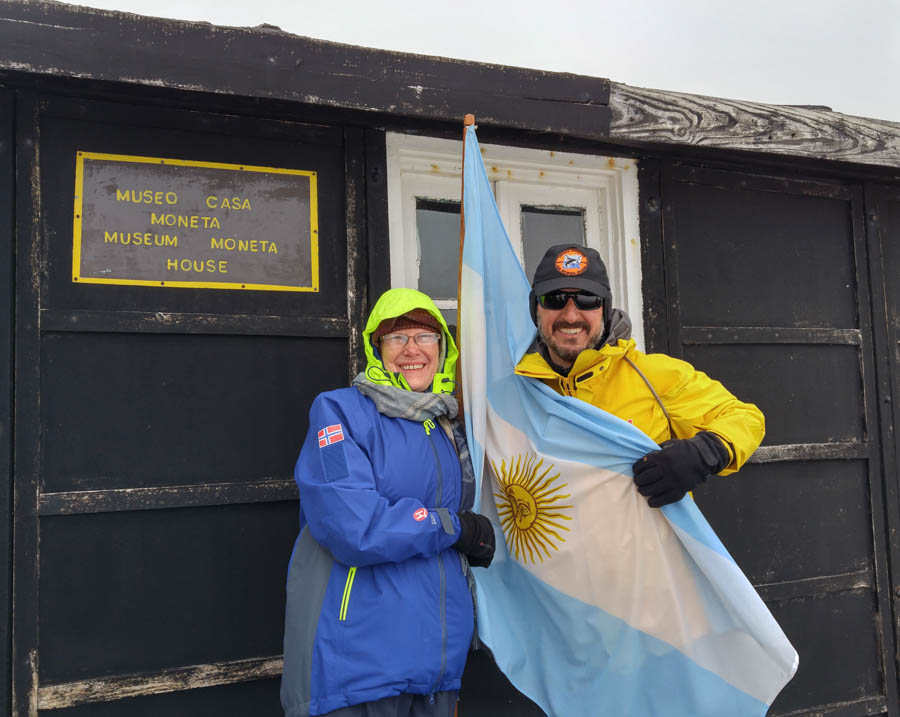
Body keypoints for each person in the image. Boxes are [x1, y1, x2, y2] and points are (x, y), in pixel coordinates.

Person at [281, 287, 495, 717]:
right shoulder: (339, 414)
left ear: (444, 348)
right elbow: (353, 525)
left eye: (425, 336)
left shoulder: (448, 425)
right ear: (376, 349)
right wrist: (453, 527)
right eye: (397, 338)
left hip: (437, 670)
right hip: (358, 670)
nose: (412, 349)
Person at [516, 244, 765, 506]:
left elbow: (746, 418)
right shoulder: (515, 390)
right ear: (536, 308)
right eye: (554, 299)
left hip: (645, 546)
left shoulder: (655, 376)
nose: (570, 315)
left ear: (605, 309)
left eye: (587, 299)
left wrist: (700, 454)